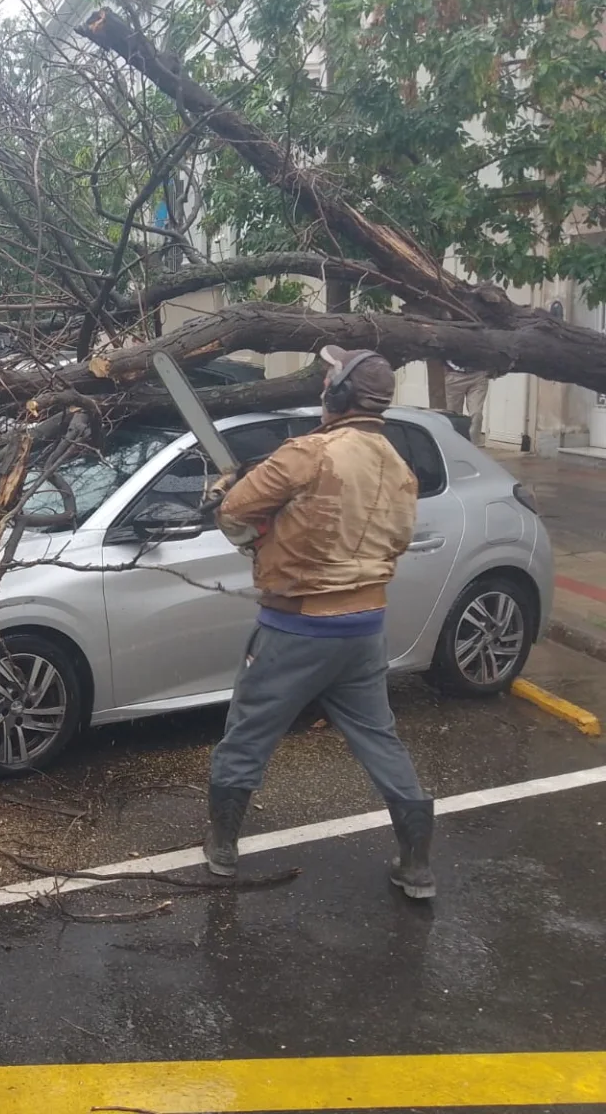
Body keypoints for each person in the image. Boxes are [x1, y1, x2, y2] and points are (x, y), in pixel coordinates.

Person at [204, 345, 435, 899]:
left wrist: (221, 491)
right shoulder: (399, 468)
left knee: (248, 733)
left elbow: (235, 512)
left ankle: (222, 848)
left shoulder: (308, 453)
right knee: (380, 740)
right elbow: (396, 541)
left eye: (328, 381)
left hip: (296, 628)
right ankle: (418, 865)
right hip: (363, 630)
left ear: (336, 395)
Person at [445, 361, 492, 446]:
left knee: (476, 413)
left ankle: (473, 446)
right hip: (454, 375)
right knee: (454, 415)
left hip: (478, 375)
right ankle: (454, 445)